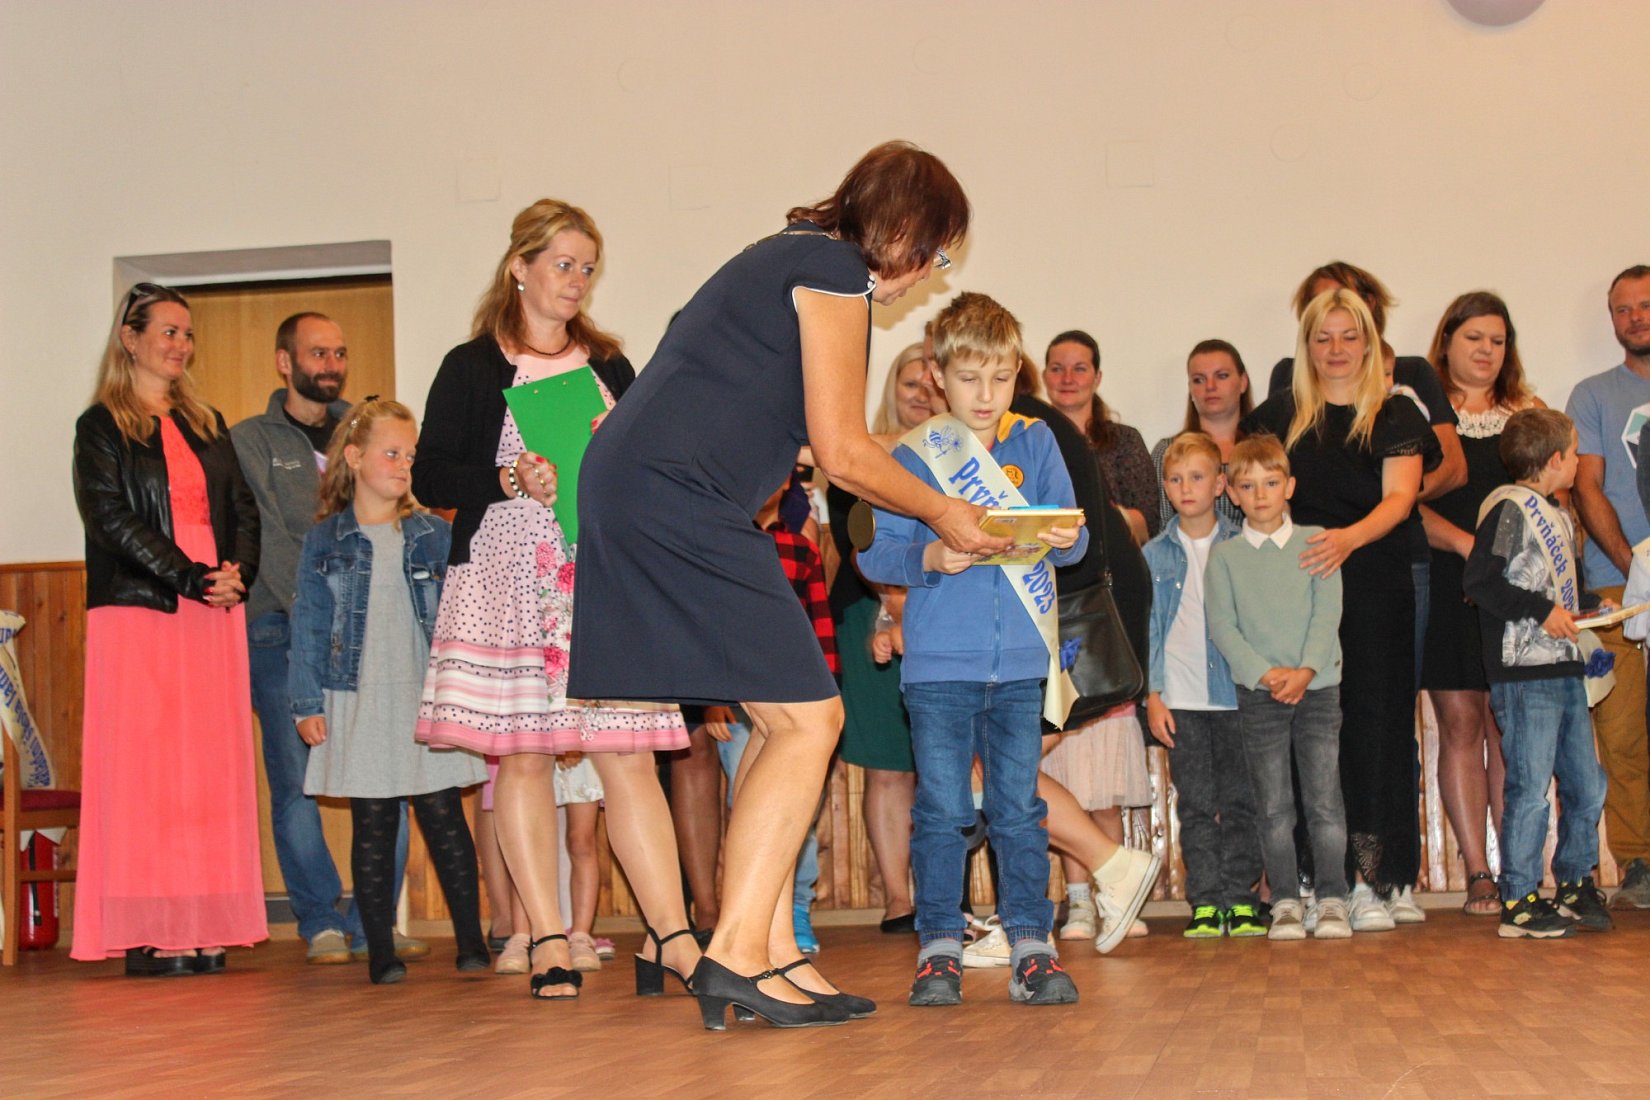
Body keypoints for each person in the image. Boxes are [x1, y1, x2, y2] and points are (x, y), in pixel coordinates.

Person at [571, 141, 989, 1030]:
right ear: (906, 232)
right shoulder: (833, 272)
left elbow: (790, 426)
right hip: (675, 496)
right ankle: (735, 954)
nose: (929, 275)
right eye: (936, 255)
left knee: (783, 719)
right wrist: (945, 513)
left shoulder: (792, 257)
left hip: (654, 489)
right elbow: (843, 452)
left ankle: (767, 950)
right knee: (810, 720)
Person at [412, 199, 691, 1001]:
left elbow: (651, 467)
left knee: (627, 757)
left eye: (587, 268)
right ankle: (543, 937)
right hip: (507, 581)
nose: (576, 280)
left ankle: (672, 937)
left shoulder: (610, 366)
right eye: (563, 264)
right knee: (526, 756)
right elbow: (430, 475)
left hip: (598, 578)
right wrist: (509, 477)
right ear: (520, 267)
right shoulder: (472, 366)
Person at [859, 290, 1089, 1007]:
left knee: (1019, 810)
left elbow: (1075, 539)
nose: (986, 395)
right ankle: (938, 947)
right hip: (937, 669)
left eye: (1000, 378)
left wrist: (1062, 537)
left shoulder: (1036, 441)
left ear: (1018, 374)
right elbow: (875, 554)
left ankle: (1031, 945)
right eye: (968, 378)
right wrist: (929, 558)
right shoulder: (913, 454)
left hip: (1019, 664)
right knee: (942, 811)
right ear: (937, 375)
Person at [71, 282, 267, 974]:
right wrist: (189, 576)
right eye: (168, 332)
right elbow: (107, 517)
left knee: (207, 772)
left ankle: (204, 920)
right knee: (148, 774)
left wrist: (237, 572)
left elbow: (243, 509)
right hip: (141, 608)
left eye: (188, 334)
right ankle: (150, 930)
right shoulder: (101, 425)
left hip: (212, 608)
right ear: (130, 339)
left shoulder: (208, 422)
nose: (181, 345)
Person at [1243, 289, 1437, 932]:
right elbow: (1254, 493)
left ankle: (1384, 879)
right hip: (1298, 594)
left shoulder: (1395, 412)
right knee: (1309, 733)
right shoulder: (1277, 416)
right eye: (1322, 337)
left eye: (1348, 336)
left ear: (1369, 342)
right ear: (1306, 344)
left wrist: (1347, 540)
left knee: (1379, 728)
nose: (1336, 349)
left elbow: (1400, 499)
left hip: (1377, 585)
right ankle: (1316, 880)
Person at [231, 312, 420, 965]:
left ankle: (372, 923)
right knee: (296, 780)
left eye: (339, 353)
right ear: (285, 362)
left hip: (373, 632)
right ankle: (318, 921)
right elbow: (270, 537)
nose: (332, 364)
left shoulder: (368, 434)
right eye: (317, 353)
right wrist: (325, 613)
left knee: (389, 776)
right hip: (278, 628)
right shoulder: (250, 441)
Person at [288, 398, 490, 983]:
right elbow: (308, 626)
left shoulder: (434, 534)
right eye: (392, 453)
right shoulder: (324, 541)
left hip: (422, 692)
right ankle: (379, 949)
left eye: (411, 455)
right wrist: (306, 704)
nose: (404, 466)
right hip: (357, 697)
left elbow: (464, 615)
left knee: (444, 816)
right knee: (373, 822)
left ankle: (471, 940)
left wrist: (466, 692)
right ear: (354, 458)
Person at [1462, 408, 1612, 938]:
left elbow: (1557, 590)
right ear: (1554, 460)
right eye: (1574, 453)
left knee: (1587, 783)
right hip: (1525, 675)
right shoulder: (1509, 511)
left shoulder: (1558, 513)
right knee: (1529, 788)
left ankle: (1573, 881)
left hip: (1564, 668)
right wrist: (1542, 611)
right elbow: (1481, 582)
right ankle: (1519, 897)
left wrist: (1591, 605)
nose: (1578, 461)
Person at [1416, 292, 1541, 916]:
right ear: (1447, 343)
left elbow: (1547, 501)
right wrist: (1470, 549)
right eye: (1474, 338)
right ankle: (1477, 871)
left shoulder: (1528, 415)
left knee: (1508, 725)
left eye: (1497, 340)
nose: (1487, 350)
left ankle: (1519, 869)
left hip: (1514, 589)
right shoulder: (1420, 417)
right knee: (1462, 725)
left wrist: (1504, 567)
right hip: (1446, 582)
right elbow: (1404, 504)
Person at [1205, 435, 1348, 940]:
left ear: (1289, 486)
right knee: (1272, 805)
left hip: (1318, 689)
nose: (1260, 494)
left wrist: (1305, 670)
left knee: (1324, 800)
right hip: (1260, 695)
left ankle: (1332, 898)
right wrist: (1266, 675)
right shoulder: (1225, 557)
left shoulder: (1317, 541)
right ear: (1231, 493)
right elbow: (1223, 627)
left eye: (1270, 483)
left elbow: (1327, 613)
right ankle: (1285, 899)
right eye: (1247, 486)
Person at [829, 342, 936, 935]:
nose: (920, 393)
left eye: (930, 383)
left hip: (946, 616)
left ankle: (945, 899)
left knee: (943, 763)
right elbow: (860, 545)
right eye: (909, 382)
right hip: (869, 613)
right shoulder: (855, 456)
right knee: (889, 767)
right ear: (891, 389)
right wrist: (892, 611)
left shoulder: (962, 459)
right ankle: (899, 900)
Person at [1142, 433, 1265, 938]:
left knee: (1241, 801)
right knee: (1193, 804)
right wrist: (1153, 696)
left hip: (1237, 697)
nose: (1185, 487)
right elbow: (1149, 630)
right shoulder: (1153, 554)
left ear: (1220, 484)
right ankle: (1206, 902)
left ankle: (1241, 899)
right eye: (1175, 479)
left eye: (1197, 477)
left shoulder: (1244, 546)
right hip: (1181, 700)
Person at [1566, 264, 1650, 909]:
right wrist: (1632, 568)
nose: (1635, 317)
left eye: (1645, 304)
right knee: (1621, 733)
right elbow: (1586, 486)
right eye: (1623, 309)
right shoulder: (1592, 394)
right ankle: (1639, 861)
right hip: (1615, 591)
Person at [1043, 329, 1160, 543]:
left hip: (1114, 560)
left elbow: (1149, 523)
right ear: (1044, 376)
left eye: (1079, 369)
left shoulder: (1125, 440)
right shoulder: (1030, 441)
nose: (1067, 379)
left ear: (1097, 378)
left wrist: (1093, 517)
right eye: (1057, 369)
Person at [1150, 339, 1252, 530]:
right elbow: (1159, 527)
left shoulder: (1266, 450)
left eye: (1221, 376)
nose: (1210, 386)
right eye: (1199, 380)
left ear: (1243, 382)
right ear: (1190, 388)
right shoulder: (1168, 451)